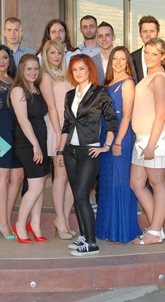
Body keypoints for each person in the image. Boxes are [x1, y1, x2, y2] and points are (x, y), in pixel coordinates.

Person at [56, 55, 118, 256]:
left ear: (90, 69)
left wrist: (105, 146)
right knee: (77, 196)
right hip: (70, 151)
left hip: (89, 150)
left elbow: (111, 119)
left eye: (81, 68)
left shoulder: (99, 92)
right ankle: (84, 236)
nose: (78, 73)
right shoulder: (70, 94)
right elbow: (66, 124)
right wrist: (60, 150)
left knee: (82, 195)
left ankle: (92, 243)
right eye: (74, 69)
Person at [95, 46, 142, 244]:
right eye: (115, 58)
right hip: (105, 134)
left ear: (128, 62)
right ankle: (107, 228)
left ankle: (121, 229)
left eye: (123, 59)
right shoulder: (107, 83)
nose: (118, 62)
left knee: (120, 182)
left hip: (120, 136)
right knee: (107, 182)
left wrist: (119, 141)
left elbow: (127, 115)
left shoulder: (128, 83)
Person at [130, 39, 165, 245]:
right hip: (142, 139)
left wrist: (151, 145)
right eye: (147, 52)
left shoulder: (159, 79)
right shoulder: (149, 76)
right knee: (136, 184)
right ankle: (157, 227)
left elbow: (161, 115)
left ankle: (154, 232)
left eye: (154, 54)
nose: (149, 57)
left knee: (157, 184)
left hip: (153, 139)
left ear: (163, 56)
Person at [10, 54, 50, 244]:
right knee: (36, 187)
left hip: (41, 142)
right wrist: (35, 145)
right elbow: (23, 121)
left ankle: (35, 224)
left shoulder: (37, 89)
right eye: (29, 69)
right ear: (21, 70)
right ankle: (20, 224)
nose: (33, 72)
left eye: (36, 69)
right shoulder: (18, 90)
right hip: (28, 143)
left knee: (39, 185)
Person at [0, 45, 23, 240]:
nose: (1, 61)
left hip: (17, 130)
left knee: (18, 177)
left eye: (5, 57)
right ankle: (4, 222)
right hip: (1, 131)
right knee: (2, 177)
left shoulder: (14, 79)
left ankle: (5, 219)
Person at [39, 40, 75, 240]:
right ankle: (59, 219)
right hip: (58, 127)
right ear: (46, 55)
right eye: (52, 52)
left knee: (72, 176)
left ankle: (65, 220)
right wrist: (60, 134)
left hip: (73, 127)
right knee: (60, 176)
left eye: (59, 53)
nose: (56, 56)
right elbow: (51, 107)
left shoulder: (67, 75)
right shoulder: (46, 76)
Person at [131, 15, 165, 81]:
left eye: (152, 31)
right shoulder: (132, 57)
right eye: (145, 31)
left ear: (158, 33)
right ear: (140, 34)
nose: (148, 35)